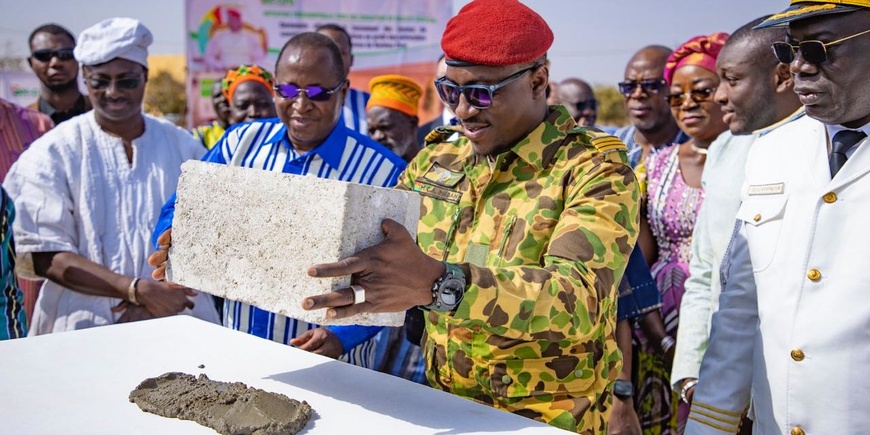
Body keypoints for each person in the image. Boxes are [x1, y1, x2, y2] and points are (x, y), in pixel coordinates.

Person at [301, 0, 639, 432]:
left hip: (546, 417)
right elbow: (381, 254)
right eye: (450, 91)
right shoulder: (438, 159)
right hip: (441, 403)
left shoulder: (593, 171)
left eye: (481, 93)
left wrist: (441, 283)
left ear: (538, 81)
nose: (462, 110)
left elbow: (579, 300)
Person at [149, 32, 406, 368]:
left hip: (330, 368)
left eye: (316, 92)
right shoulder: (241, 143)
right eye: (287, 91)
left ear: (343, 91)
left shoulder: (383, 172)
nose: (300, 104)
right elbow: (183, 203)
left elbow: (392, 279)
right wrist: (173, 235)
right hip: (239, 352)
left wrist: (341, 336)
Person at [686, 2, 870, 433]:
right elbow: (741, 306)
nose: (800, 68)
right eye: (790, 52)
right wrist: (708, 425)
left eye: (820, 49)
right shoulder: (771, 151)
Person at [3, 18, 219, 335]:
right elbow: (43, 253)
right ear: (85, 81)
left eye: (127, 81)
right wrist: (135, 290)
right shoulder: (53, 151)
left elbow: (213, 236)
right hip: (83, 326)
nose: (113, 92)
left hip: (178, 317)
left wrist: (160, 297)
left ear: (144, 77)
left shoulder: (184, 148)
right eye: (100, 81)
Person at [670, 16, 803, 410]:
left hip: (787, 381)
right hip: (718, 374)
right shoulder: (725, 149)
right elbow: (705, 271)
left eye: (732, 80)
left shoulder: (821, 147)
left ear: (782, 76)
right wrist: (692, 373)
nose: (720, 97)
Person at [634, 32, 729, 433]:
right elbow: (635, 261)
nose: (687, 103)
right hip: (654, 330)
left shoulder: (760, 161)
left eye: (701, 91)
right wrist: (661, 336)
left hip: (724, 325)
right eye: (676, 95)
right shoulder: (655, 166)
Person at [615, 46, 690, 170]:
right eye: (629, 86)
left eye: (651, 85)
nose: (638, 94)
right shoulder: (612, 146)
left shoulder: (695, 148)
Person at [27, 24, 91, 125]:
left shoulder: (107, 115)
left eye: (65, 54)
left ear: (78, 58)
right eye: (44, 55)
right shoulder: (20, 123)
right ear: (31, 63)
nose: (56, 62)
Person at [317, 24, 369, 136]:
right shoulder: (293, 102)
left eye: (340, 52)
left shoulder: (370, 104)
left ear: (351, 60)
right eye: (324, 51)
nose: (332, 58)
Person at [366, 75, 422, 162]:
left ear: (412, 124)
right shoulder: (367, 172)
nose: (377, 136)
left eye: (385, 127)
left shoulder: (436, 169)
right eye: (371, 130)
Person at [416, 55, 452, 145]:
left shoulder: (487, 131)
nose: (447, 86)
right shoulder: (421, 135)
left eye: (453, 79)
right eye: (442, 79)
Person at [192, 80, 231, 150]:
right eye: (217, 96)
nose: (223, 99)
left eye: (226, 93)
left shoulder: (248, 131)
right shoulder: (201, 134)